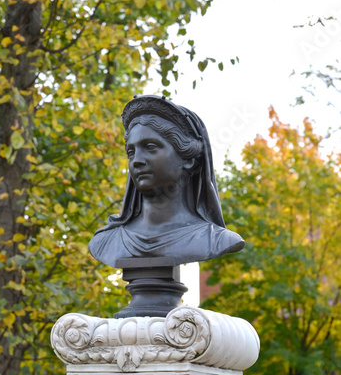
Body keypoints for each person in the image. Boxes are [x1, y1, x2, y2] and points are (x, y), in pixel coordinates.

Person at [88, 95, 245, 268]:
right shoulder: (105, 242)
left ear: (188, 159)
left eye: (150, 147)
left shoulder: (215, 239)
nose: (136, 160)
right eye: (131, 152)